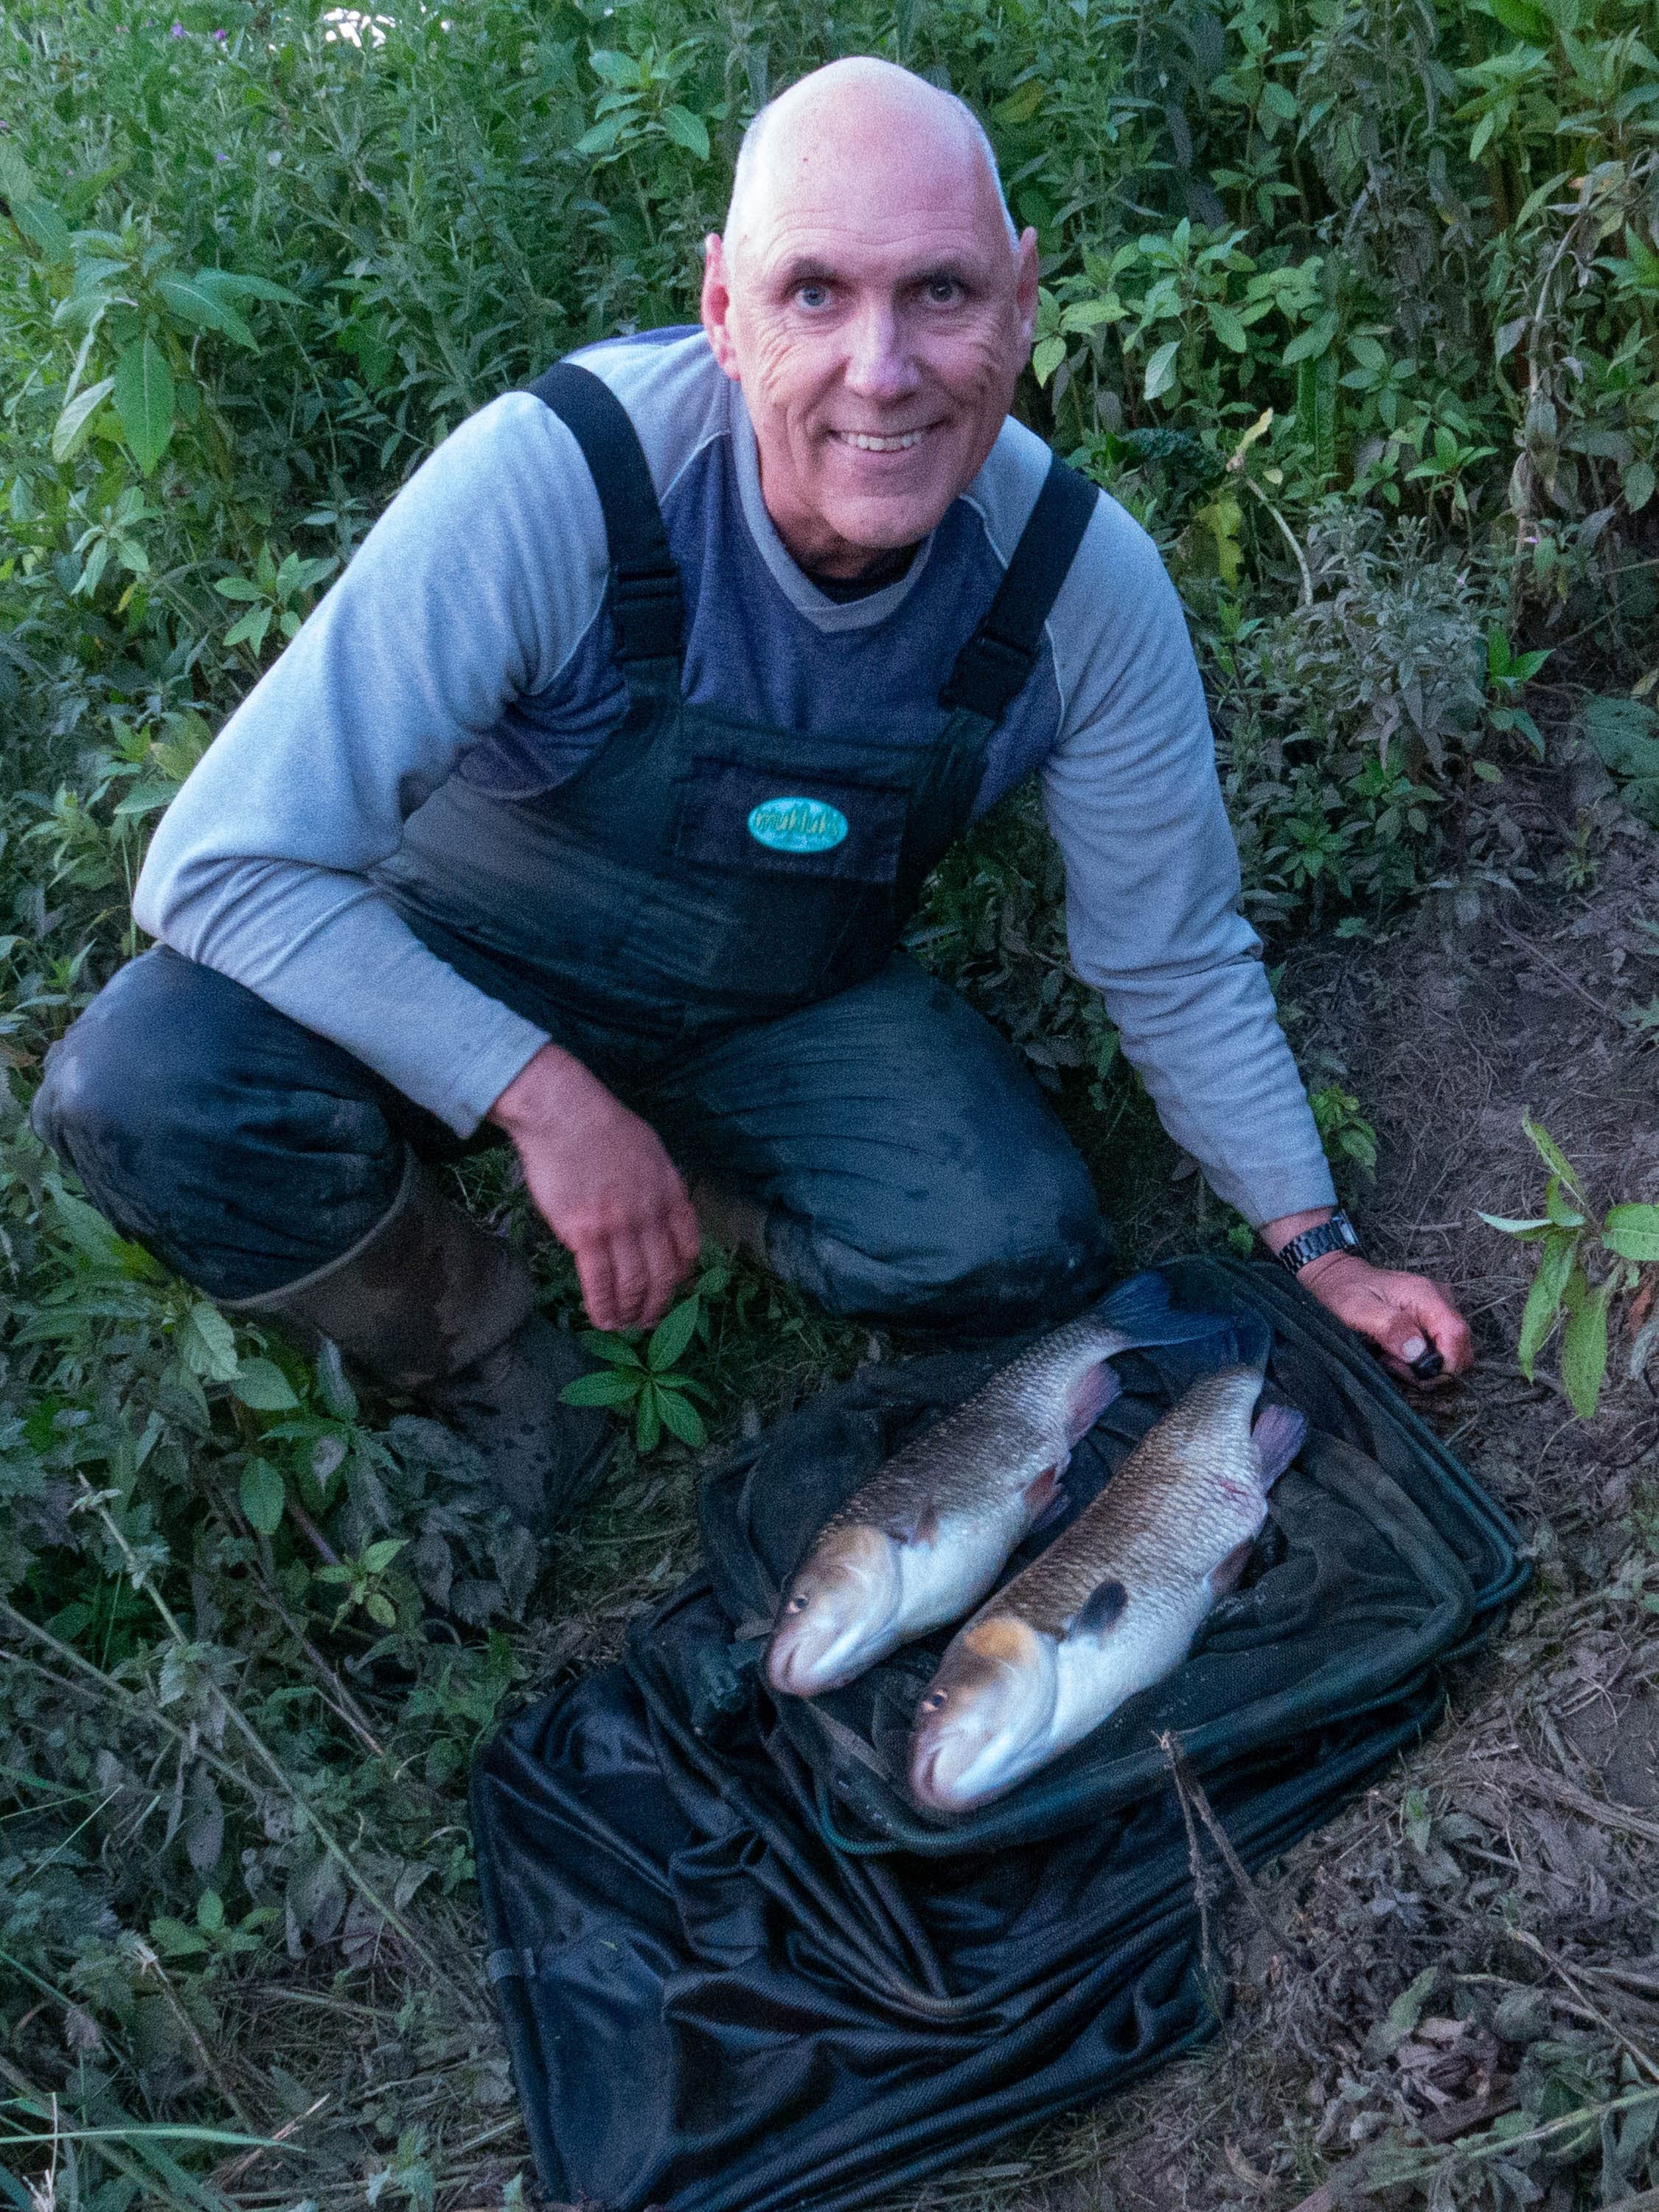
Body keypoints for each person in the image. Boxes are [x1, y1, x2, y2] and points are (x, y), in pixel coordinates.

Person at [32, 58, 1472, 1531]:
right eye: (814, 296)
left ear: (1026, 299)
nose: (883, 369)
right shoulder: (568, 480)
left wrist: (1315, 1246)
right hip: (449, 960)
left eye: (942, 294)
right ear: (722, 309)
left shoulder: (1077, 587)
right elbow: (217, 868)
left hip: (769, 1016)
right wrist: (541, 1097)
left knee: (1020, 1245)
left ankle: (688, 1186)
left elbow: (1169, 952)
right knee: (145, 1087)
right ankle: (489, 1367)